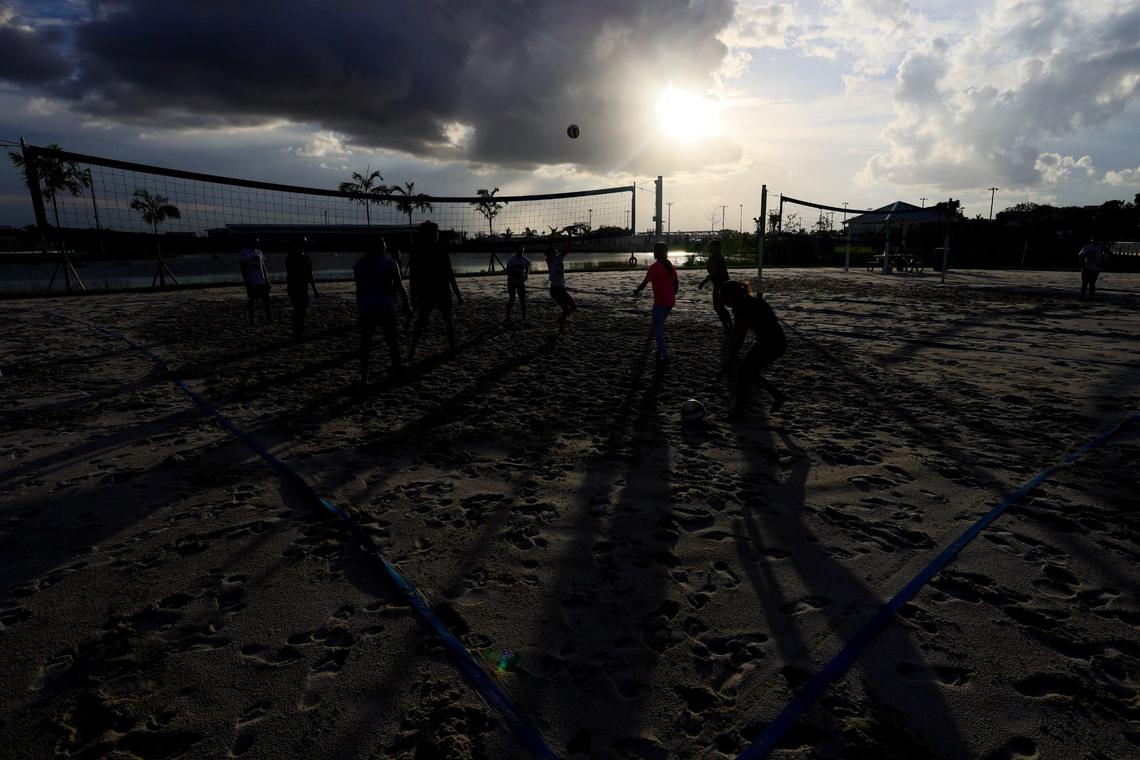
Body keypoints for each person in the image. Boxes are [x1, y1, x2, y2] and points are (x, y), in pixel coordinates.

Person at [720, 280, 786, 415]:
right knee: (746, 372)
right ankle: (777, 396)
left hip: (772, 344)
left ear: (732, 296)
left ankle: (740, 410)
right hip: (770, 341)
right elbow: (736, 334)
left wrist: (727, 362)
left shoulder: (743, 307)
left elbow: (739, 338)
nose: (722, 301)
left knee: (744, 373)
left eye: (723, 297)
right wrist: (728, 358)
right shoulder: (749, 301)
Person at [353, 237, 410, 383]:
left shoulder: (359, 264)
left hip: (367, 306)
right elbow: (399, 286)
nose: (386, 244)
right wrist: (406, 303)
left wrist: (360, 310)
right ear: (381, 246)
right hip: (385, 305)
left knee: (365, 343)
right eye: (384, 242)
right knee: (392, 341)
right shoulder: (390, 263)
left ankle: (364, 377)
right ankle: (397, 371)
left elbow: (359, 291)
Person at [408, 221, 463, 359]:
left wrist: (412, 295)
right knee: (446, 321)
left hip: (428, 290)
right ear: (433, 233)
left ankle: (412, 351)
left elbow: (413, 276)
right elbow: (450, 274)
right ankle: (452, 350)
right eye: (436, 231)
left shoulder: (417, 251)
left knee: (422, 321)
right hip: (439, 290)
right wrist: (458, 295)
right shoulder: (439, 249)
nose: (438, 233)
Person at [633, 241, 680, 362]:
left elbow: (644, 284)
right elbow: (676, 285)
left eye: (654, 250)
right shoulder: (671, 267)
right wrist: (671, 295)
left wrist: (636, 291)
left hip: (661, 302)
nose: (653, 252)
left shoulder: (655, 267)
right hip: (670, 301)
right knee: (658, 325)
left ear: (657, 253)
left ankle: (664, 355)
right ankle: (659, 352)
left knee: (657, 328)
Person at [285, 236, 319, 340]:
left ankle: (299, 331)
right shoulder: (291, 258)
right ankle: (297, 332)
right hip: (295, 288)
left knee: (302, 310)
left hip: (303, 288)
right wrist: (292, 288)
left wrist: (314, 289)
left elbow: (310, 274)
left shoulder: (306, 258)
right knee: (298, 310)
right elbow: (290, 275)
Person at [697, 239, 733, 337]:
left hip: (719, 286)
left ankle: (727, 326)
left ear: (714, 248)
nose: (709, 248)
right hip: (725, 284)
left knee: (718, 307)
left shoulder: (713, 258)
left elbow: (712, 274)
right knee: (721, 307)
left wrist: (702, 283)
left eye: (710, 246)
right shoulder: (720, 257)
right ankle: (729, 325)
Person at [238, 238, 272, 325]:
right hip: (251, 281)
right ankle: (252, 319)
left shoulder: (259, 252)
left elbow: (263, 268)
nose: (257, 244)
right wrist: (246, 281)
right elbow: (243, 269)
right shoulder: (244, 253)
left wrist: (267, 281)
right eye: (255, 242)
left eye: (257, 242)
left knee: (266, 299)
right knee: (252, 300)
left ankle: (269, 318)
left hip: (262, 281)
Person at [545, 243, 576, 332]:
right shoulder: (550, 261)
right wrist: (553, 235)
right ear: (550, 253)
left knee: (573, 307)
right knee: (566, 308)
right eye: (554, 250)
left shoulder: (559, 258)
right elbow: (550, 246)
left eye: (556, 250)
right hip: (555, 289)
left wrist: (570, 236)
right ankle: (561, 327)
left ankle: (560, 320)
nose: (556, 251)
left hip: (561, 289)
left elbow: (568, 248)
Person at [505, 245, 531, 322]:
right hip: (512, 282)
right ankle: (507, 316)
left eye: (522, 250)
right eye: (519, 250)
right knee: (512, 298)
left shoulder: (525, 260)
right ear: (516, 250)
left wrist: (526, 274)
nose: (520, 251)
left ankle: (524, 316)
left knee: (522, 299)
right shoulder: (511, 260)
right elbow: (508, 271)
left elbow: (528, 268)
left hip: (520, 282)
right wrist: (514, 275)